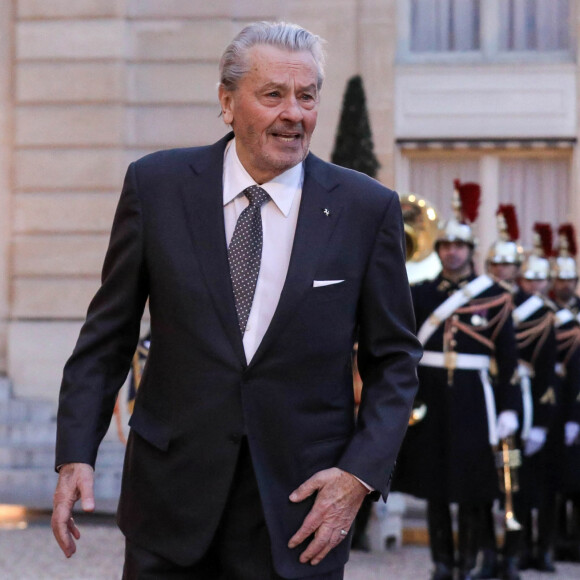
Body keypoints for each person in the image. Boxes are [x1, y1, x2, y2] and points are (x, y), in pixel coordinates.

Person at [50, 21, 421, 580]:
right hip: (170, 502)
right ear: (227, 102)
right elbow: (108, 335)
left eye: (307, 96)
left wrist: (357, 478)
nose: (294, 113)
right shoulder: (157, 186)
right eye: (273, 95)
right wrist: (76, 451)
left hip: (300, 513)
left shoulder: (366, 209)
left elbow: (394, 361)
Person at [393, 181, 521, 580]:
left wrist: (509, 409)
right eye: (446, 245)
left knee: (469, 487)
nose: (452, 252)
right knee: (433, 486)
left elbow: (508, 361)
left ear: (470, 251)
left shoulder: (496, 298)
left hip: (473, 399)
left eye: (459, 246)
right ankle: (441, 563)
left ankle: (467, 562)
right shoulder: (420, 293)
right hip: (430, 395)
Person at [479, 216, 558, 580]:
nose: (503, 272)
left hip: (519, 402)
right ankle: (486, 556)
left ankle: (513, 555)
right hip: (481, 396)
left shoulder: (538, 312)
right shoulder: (477, 300)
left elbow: (545, 372)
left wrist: (541, 422)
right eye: (497, 265)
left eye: (510, 266)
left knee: (516, 484)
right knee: (480, 480)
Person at [548, 224, 580, 567]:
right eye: (561, 280)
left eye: (570, 280)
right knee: (553, 479)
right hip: (551, 402)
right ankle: (555, 540)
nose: (565, 286)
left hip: (577, 403)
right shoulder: (545, 313)